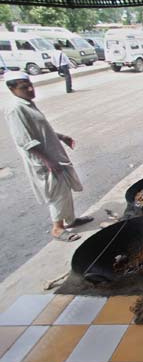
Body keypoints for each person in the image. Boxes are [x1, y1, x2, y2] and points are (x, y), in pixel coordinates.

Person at [3, 71, 92, 241]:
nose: (30, 89)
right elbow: (25, 141)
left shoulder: (27, 103)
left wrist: (61, 137)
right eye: (24, 88)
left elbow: (42, 130)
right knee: (57, 193)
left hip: (52, 155)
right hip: (44, 160)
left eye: (30, 85)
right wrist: (48, 160)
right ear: (12, 89)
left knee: (65, 189)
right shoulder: (16, 109)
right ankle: (57, 228)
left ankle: (71, 220)